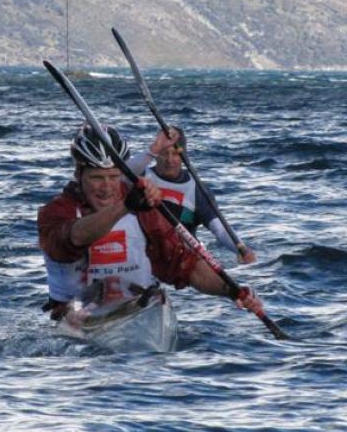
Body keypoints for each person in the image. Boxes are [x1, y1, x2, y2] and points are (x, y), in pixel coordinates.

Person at [38, 124, 262, 323]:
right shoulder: (57, 212)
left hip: (138, 309)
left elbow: (185, 265)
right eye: (97, 178)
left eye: (114, 177)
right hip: (78, 316)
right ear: (79, 174)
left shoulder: (143, 210)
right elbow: (74, 237)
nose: (106, 187)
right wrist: (125, 206)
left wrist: (233, 290)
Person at [128, 126, 257, 264]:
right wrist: (154, 148)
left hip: (181, 258)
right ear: (157, 154)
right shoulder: (141, 175)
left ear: (184, 156)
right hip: (142, 253)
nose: (170, 160)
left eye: (176, 154)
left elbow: (219, 229)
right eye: (164, 153)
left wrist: (242, 249)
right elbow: (120, 174)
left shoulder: (197, 190)